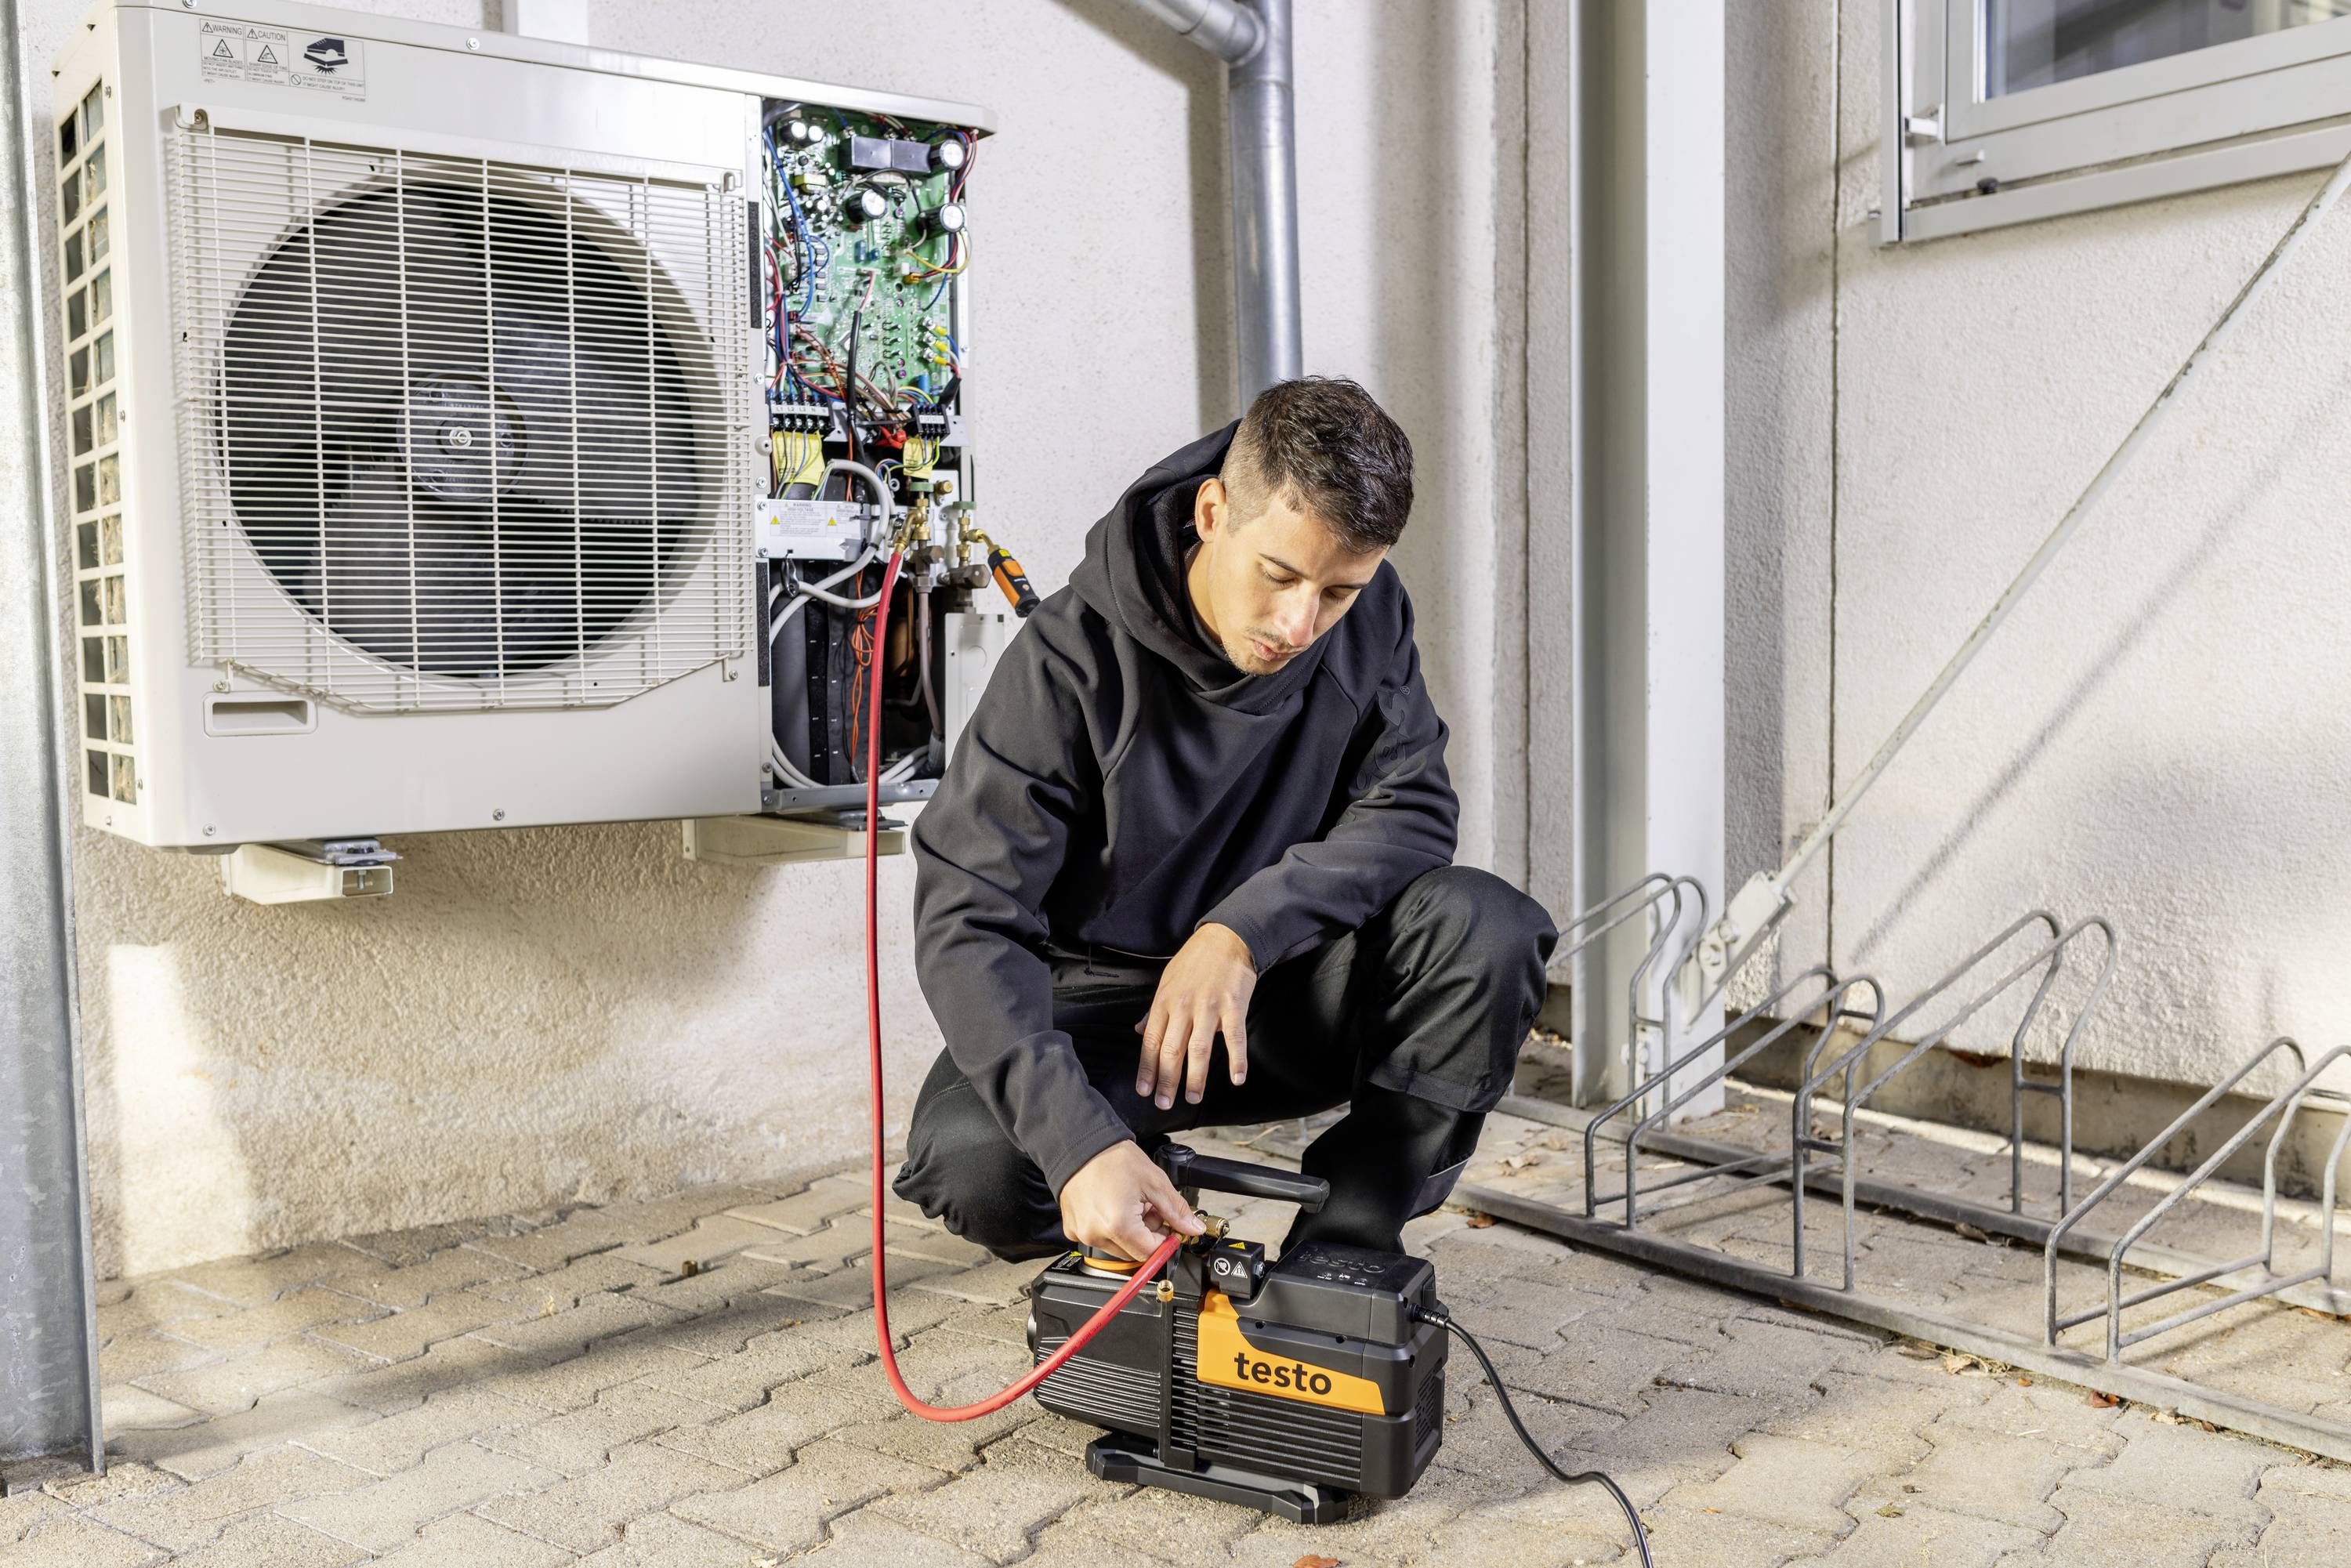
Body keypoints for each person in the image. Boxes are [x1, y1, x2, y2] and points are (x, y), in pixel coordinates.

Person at [894, 376, 1558, 1265]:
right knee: (975, 1168)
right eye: (1279, 575)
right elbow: (966, 918)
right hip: (1105, 1013)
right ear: (1212, 513)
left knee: (1487, 930)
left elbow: (1412, 808)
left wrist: (1240, 935)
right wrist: (1080, 1145)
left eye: (1337, 592)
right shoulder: (1068, 658)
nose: (1299, 623)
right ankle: (1130, 1172)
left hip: (1279, 989)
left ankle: (1344, 1253)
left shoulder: (1372, 617)